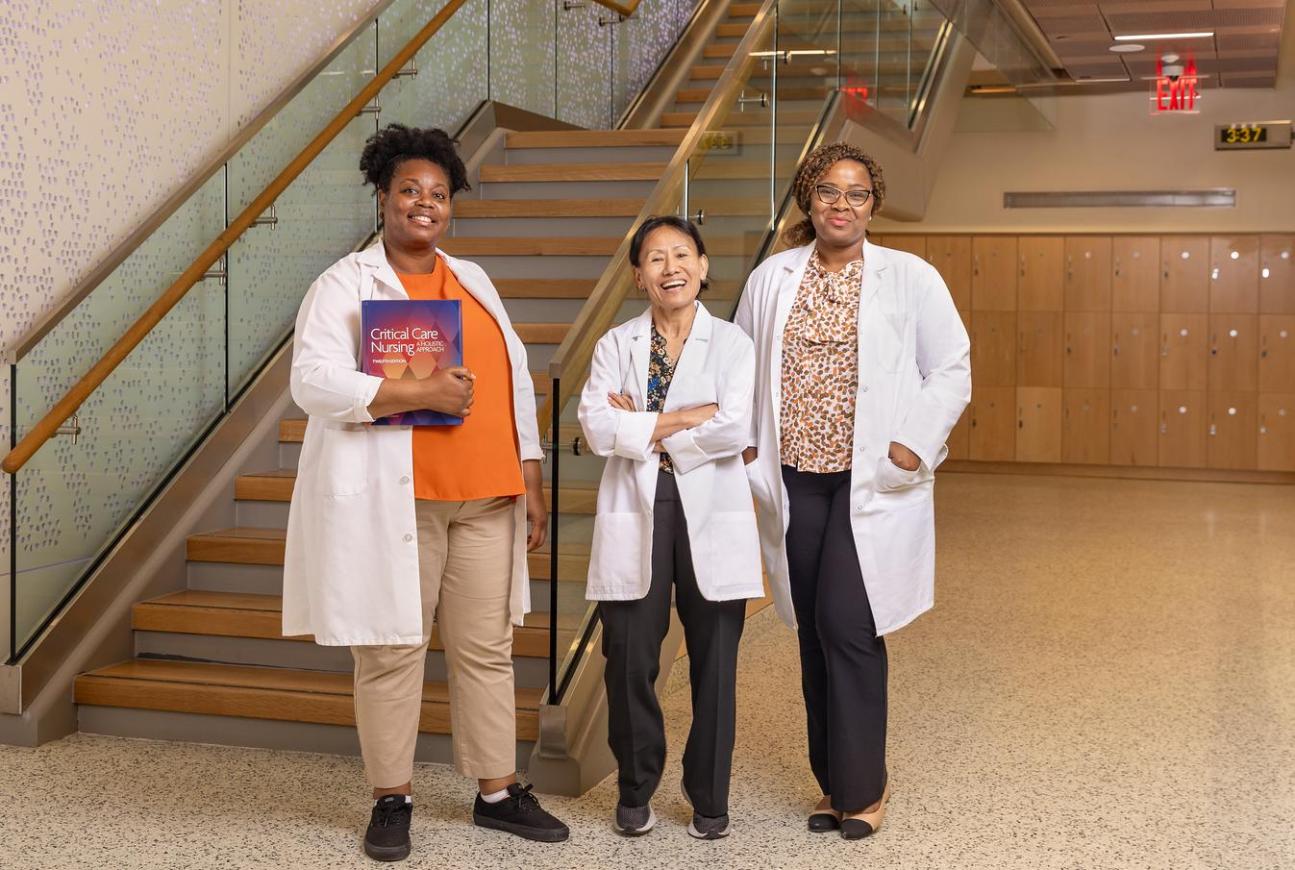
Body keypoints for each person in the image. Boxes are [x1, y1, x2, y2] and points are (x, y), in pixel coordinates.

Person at [282, 124, 569, 862]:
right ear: (382, 197)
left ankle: (497, 792)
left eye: (438, 194)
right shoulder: (344, 284)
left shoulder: (471, 278)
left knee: (486, 649)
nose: (424, 203)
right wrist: (413, 389)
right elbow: (311, 381)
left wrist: (529, 477)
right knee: (390, 650)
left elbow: (513, 385)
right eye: (409, 189)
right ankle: (391, 798)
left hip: (486, 497)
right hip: (397, 502)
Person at [734, 142, 971, 840]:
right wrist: (747, 443)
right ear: (808, 200)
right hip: (793, 475)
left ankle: (864, 788)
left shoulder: (910, 276)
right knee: (810, 628)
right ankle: (832, 784)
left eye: (858, 193)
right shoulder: (771, 277)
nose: (843, 205)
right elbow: (740, 365)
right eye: (830, 192)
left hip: (869, 480)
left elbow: (950, 368)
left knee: (848, 624)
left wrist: (912, 443)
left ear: (874, 204)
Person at [578, 216, 761, 840]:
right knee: (628, 653)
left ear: (704, 267)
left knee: (715, 660)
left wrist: (647, 426)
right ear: (638, 276)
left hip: (711, 507)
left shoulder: (734, 345)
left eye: (682, 254)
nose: (670, 267)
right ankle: (635, 788)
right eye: (655, 259)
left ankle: (710, 798)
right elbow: (597, 427)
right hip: (638, 505)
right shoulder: (615, 344)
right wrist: (687, 416)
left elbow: (737, 426)